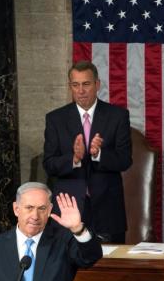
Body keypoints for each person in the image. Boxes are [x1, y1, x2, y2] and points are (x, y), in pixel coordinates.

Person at [43, 61, 132, 243]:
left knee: (110, 266)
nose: (81, 91)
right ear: (70, 87)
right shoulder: (55, 119)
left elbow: (125, 160)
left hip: (107, 210)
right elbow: (49, 164)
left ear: (97, 85)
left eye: (86, 84)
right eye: (75, 85)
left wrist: (98, 154)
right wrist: (74, 158)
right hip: (69, 208)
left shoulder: (117, 116)